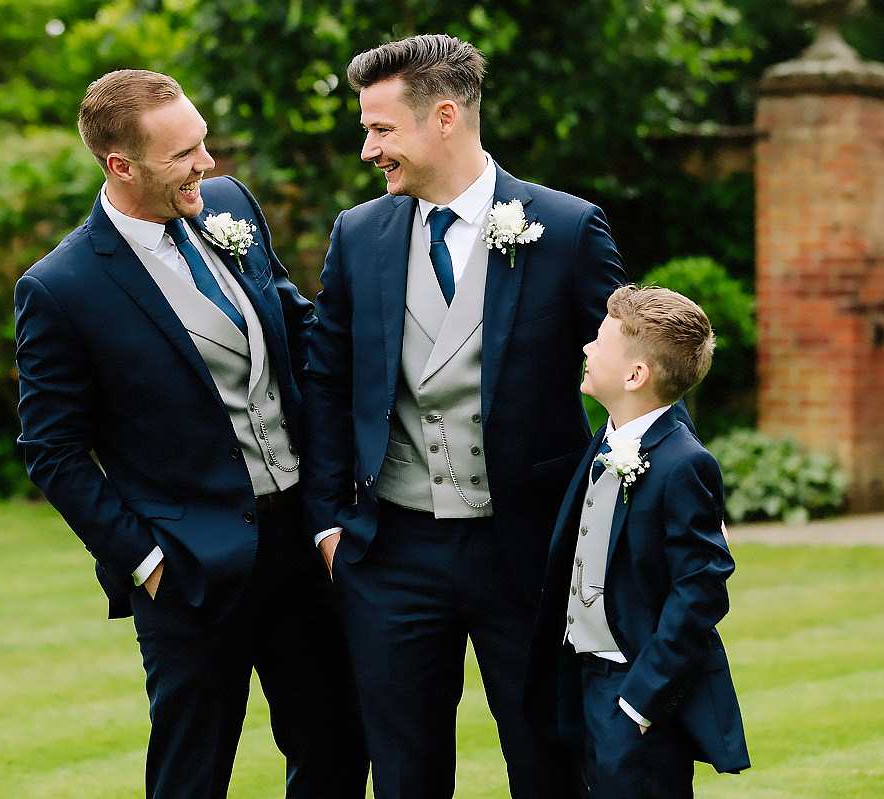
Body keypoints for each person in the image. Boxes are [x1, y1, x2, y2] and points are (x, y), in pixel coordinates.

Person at [13, 69, 368, 799]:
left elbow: (295, 323)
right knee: (192, 772)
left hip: (301, 540)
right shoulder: (61, 287)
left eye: (203, 141)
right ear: (121, 165)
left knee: (337, 744)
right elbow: (51, 448)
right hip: (191, 568)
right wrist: (145, 560)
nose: (206, 163)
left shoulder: (228, 205)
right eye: (183, 154)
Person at [300, 34, 628, 798]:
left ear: (443, 117)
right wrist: (326, 522)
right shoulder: (359, 234)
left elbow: (636, 380)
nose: (367, 149)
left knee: (549, 766)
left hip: (528, 550)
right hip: (391, 552)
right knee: (407, 776)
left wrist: (652, 505)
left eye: (380, 129)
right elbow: (327, 379)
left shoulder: (569, 228)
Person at [526, 285, 750, 797]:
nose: (586, 348)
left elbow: (700, 591)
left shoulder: (684, 463)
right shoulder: (606, 438)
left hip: (633, 689)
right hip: (578, 675)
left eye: (600, 342)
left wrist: (641, 701)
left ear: (635, 375)